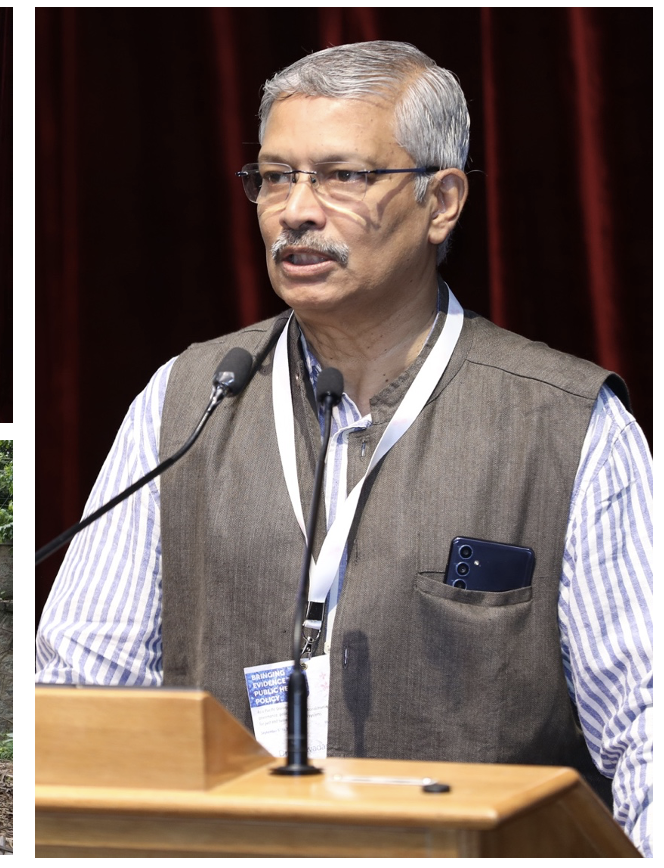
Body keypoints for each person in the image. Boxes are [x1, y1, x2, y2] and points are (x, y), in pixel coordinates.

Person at [36, 40, 651, 853]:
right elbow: (83, 694)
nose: (295, 209)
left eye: (342, 176)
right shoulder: (186, 400)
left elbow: (650, 724)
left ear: (442, 201)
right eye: (275, 176)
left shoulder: (567, 424)